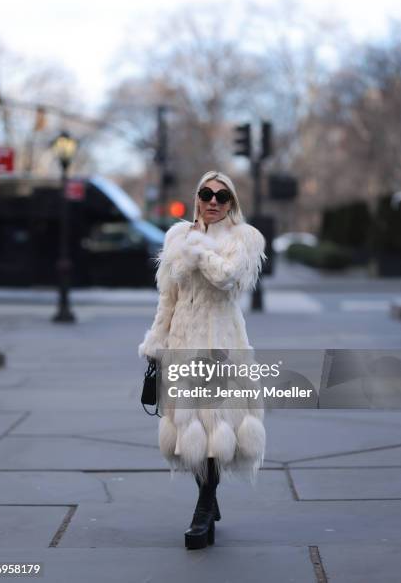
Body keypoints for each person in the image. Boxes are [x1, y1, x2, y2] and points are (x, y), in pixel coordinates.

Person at [138, 170, 268, 550]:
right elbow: (168, 296)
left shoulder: (245, 238)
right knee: (189, 429)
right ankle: (209, 501)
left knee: (215, 426)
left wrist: (199, 252)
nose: (213, 201)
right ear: (197, 197)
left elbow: (228, 280)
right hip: (182, 341)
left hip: (220, 344)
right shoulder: (176, 236)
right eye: (207, 194)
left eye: (222, 196)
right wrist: (156, 340)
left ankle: (202, 510)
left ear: (231, 202)